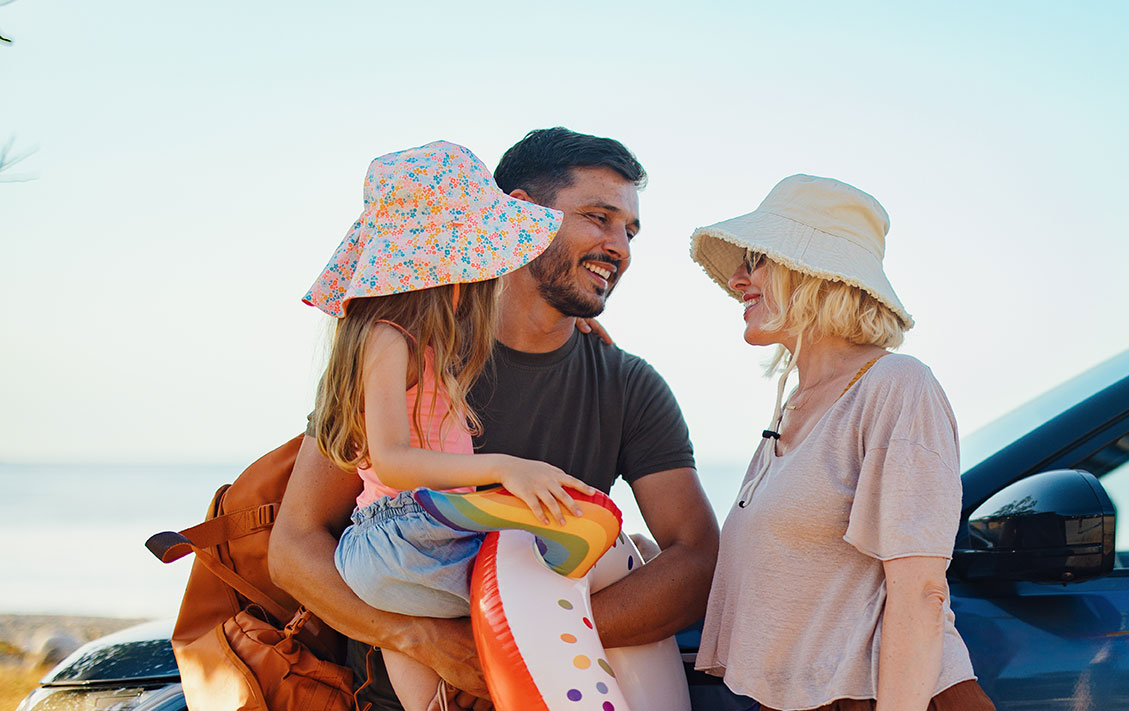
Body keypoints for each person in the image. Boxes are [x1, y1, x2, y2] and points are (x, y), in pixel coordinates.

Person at [269, 128, 720, 711]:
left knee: (630, 548)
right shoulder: (410, 351)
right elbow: (294, 545)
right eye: (599, 217)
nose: (620, 246)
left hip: (550, 690)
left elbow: (695, 558)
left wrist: (521, 647)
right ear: (523, 217)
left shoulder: (627, 383)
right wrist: (422, 639)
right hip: (390, 694)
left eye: (629, 230)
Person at [300, 140, 606, 711]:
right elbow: (390, 459)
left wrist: (577, 327)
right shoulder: (390, 337)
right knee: (581, 561)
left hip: (393, 550)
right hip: (404, 535)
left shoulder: (433, 343)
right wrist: (503, 467)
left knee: (432, 694)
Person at [689, 175, 993, 711]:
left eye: (757, 259)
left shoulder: (897, 386)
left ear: (814, 275)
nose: (738, 279)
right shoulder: (798, 404)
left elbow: (921, 591)